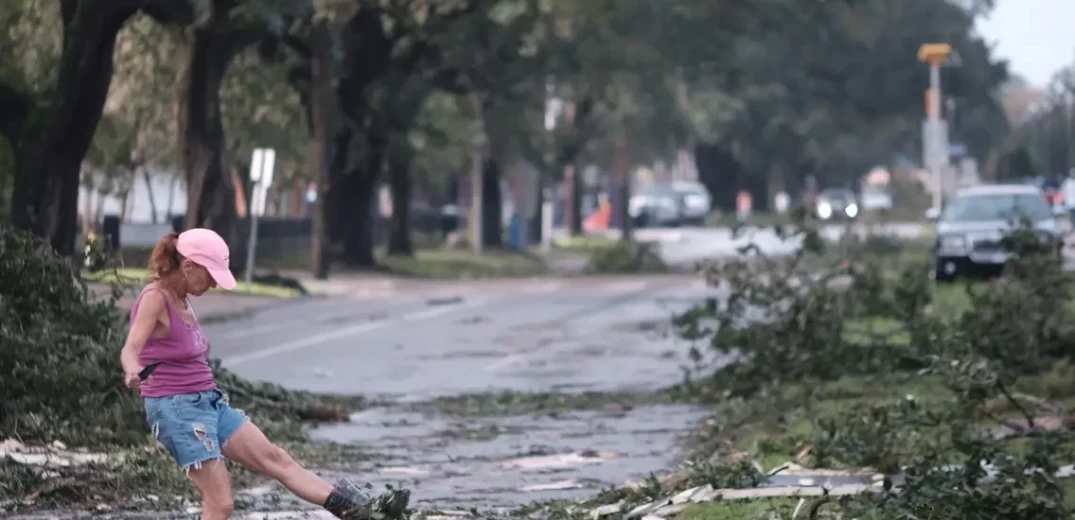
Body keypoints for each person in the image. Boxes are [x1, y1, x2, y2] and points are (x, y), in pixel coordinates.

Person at [119, 229, 409, 520]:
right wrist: (132, 369)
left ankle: (355, 511)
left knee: (276, 459)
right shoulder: (156, 298)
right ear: (188, 266)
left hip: (209, 402)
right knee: (221, 503)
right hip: (177, 409)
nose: (214, 285)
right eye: (210, 276)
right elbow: (131, 347)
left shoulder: (183, 297)